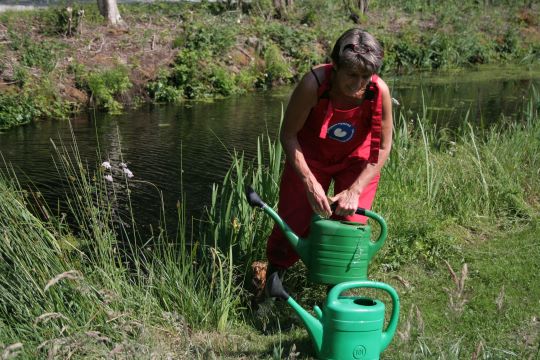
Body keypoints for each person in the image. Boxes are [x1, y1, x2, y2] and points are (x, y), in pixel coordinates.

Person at [264, 28, 394, 289]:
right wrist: (310, 184)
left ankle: (339, 290)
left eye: (364, 77)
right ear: (334, 66)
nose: (358, 84)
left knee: (352, 223)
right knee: (294, 218)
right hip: (311, 156)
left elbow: (381, 150)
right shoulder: (313, 84)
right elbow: (288, 136)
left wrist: (354, 191)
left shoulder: (378, 91)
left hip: (357, 161)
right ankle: (274, 282)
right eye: (351, 75)